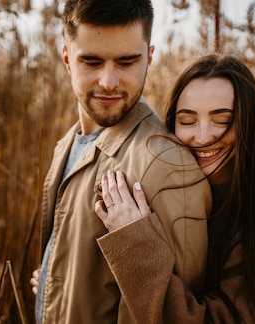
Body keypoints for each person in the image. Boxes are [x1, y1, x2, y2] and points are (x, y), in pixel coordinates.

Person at [93, 54, 255, 323]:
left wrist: (135, 243)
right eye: (188, 121)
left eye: (222, 120)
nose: (202, 137)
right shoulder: (169, 197)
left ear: (248, 124)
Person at [31, 0, 212, 323]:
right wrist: (54, 283)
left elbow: (177, 315)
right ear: (67, 59)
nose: (109, 82)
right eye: (92, 61)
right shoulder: (68, 145)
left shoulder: (169, 167)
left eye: (127, 62)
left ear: (149, 59)